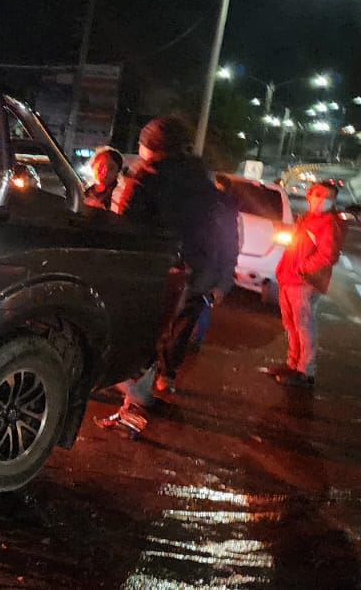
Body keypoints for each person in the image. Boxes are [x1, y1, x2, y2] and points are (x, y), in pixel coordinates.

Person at [98, 117, 237, 436]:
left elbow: (128, 231)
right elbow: (222, 232)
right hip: (195, 273)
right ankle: (143, 397)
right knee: (164, 337)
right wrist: (220, 277)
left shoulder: (148, 179)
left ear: (152, 146)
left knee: (136, 338)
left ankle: (133, 412)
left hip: (158, 272)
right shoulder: (202, 179)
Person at [262, 180, 346, 388]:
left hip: (304, 282)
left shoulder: (329, 222)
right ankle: (293, 363)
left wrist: (302, 268)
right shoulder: (307, 218)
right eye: (316, 194)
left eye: (325, 197)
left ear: (333, 201)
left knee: (303, 326)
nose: (319, 199)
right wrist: (286, 269)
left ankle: (305, 371)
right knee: (291, 325)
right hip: (289, 278)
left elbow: (328, 255)